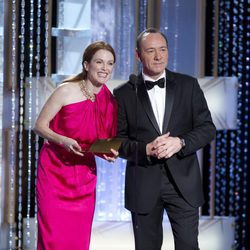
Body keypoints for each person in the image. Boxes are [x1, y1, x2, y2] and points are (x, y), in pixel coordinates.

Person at [113, 28, 216, 250]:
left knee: (188, 245)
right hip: (143, 183)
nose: (159, 56)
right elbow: (117, 141)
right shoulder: (123, 94)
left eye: (163, 50)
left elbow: (207, 128)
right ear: (138, 55)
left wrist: (181, 142)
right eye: (151, 51)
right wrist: (145, 149)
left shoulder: (188, 85)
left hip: (183, 183)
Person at [34, 41, 118, 250]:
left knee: (77, 239)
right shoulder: (65, 90)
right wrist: (63, 140)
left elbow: (98, 142)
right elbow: (39, 126)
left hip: (83, 177)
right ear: (86, 65)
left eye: (109, 63)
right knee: (52, 236)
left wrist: (106, 153)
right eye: (99, 62)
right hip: (54, 172)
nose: (105, 68)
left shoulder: (109, 100)